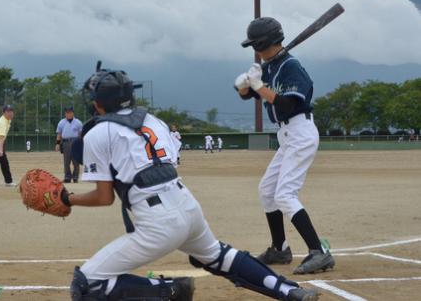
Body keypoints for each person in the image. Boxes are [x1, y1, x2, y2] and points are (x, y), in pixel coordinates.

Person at [65, 64, 319, 301]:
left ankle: (171, 290)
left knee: (87, 283)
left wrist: (68, 199)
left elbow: (104, 197)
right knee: (220, 257)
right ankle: (289, 291)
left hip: (156, 221)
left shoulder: (98, 132)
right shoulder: (153, 121)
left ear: (98, 104)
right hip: (186, 204)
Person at [236, 17, 335, 274]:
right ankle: (279, 249)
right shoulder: (271, 66)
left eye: (256, 45)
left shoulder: (291, 67)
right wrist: (245, 85)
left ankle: (319, 252)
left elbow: (286, 104)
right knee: (267, 191)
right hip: (287, 136)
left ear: (265, 42)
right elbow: (250, 97)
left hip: (300, 132)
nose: (254, 51)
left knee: (284, 195)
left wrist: (258, 85)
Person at [55, 107, 83, 183]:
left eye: (70, 112)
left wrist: (80, 144)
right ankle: (67, 177)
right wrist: (57, 144)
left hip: (75, 142)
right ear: (65, 114)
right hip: (65, 142)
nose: (68, 114)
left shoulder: (78, 122)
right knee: (66, 161)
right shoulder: (61, 122)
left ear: (73, 113)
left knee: (76, 161)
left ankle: (75, 177)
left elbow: (81, 134)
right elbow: (59, 134)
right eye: (67, 113)